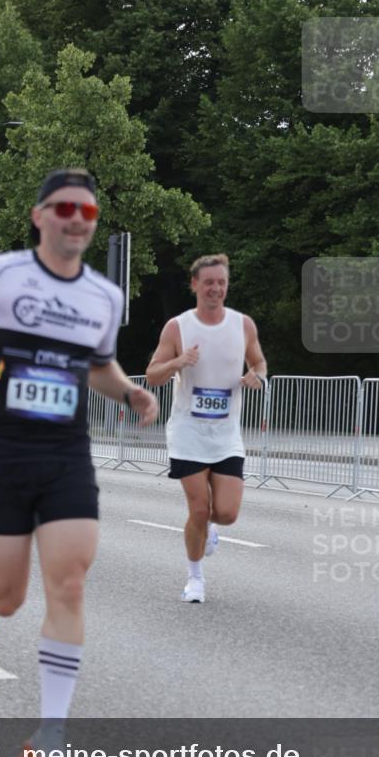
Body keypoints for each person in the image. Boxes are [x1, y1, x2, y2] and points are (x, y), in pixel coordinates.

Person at [0, 168, 158, 757]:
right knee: (9, 596)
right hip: (2, 451)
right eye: (64, 208)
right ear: (39, 216)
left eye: (89, 211)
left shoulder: (104, 297)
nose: (77, 218)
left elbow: (98, 368)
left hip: (65, 457)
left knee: (70, 582)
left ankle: (51, 734)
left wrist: (130, 392)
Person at [145, 254, 267, 603]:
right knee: (198, 509)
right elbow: (153, 373)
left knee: (225, 513)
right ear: (195, 284)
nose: (215, 288)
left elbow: (258, 361)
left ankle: (211, 528)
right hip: (188, 432)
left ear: (227, 287)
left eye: (221, 283)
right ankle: (195, 578)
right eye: (209, 282)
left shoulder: (243, 325)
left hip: (227, 433)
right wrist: (178, 362)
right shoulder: (177, 327)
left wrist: (255, 376)